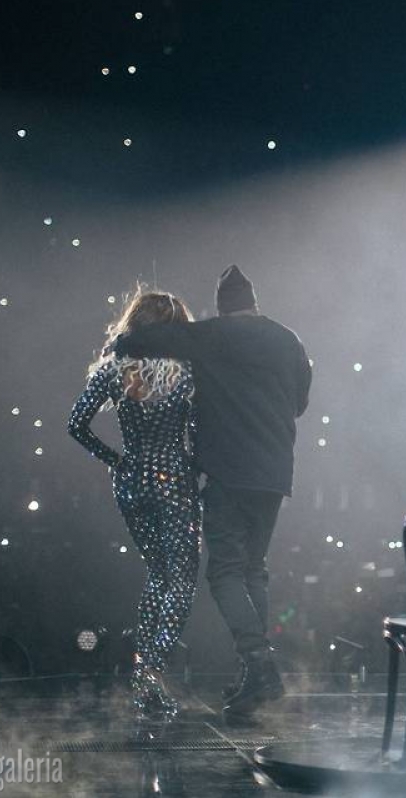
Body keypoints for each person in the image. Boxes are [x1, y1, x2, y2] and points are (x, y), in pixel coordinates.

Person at [110, 265, 311, 720]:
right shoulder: (288, 339)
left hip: (228, 471)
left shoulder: (212, 335)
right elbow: (299, 403)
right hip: (275, 472)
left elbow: (145, 341)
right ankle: (253, 675)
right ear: (255, 302)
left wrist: (121, 344)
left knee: (224, 573)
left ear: (222, 306)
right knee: (254, 570)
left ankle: (260, 664)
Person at [67, 288, 201, 724]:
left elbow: (75, 425)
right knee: (181, 581)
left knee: (158, 576)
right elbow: (200, 432)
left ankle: (146, 686)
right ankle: (148, 676)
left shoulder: (114, 370)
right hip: (173, 480)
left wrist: (115, 460)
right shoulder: (186, 372)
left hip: (129, 482)